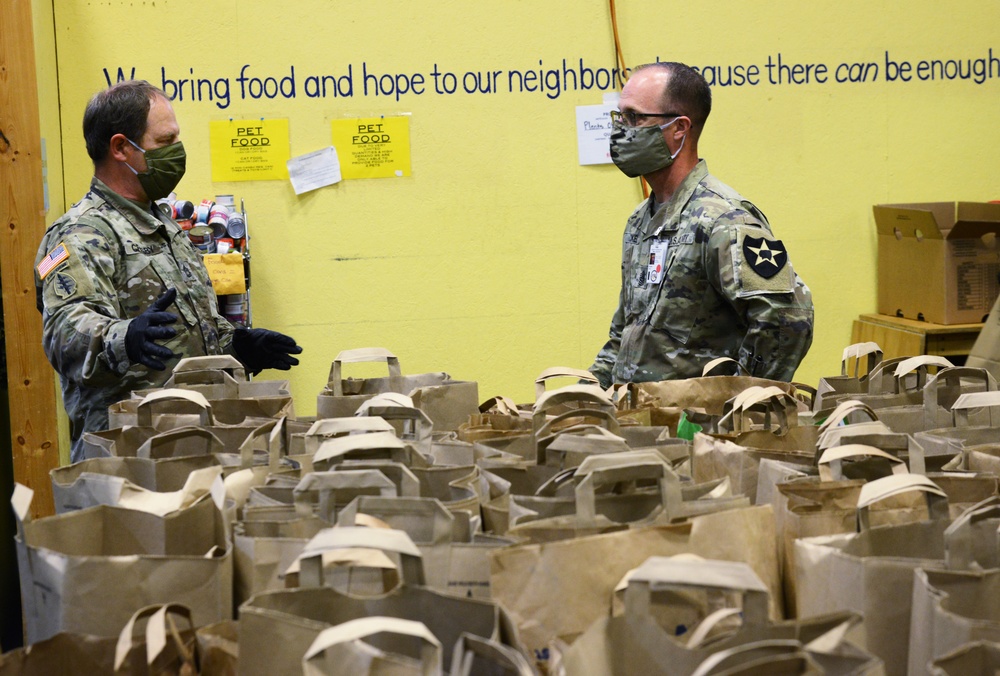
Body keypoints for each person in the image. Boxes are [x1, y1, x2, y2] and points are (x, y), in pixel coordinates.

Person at [35, 80, 302, 461]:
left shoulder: (165, 225)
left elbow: (183, 327)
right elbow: (64, 334)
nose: (177, 152)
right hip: (128, 455)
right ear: (121, 148)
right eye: (165, 141)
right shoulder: (83, 232)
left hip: (195, 444)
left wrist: (236, 345)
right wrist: (125, 338)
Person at [588, 62, 814, 388]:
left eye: (635, 118)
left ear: (679, 128)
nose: (622, 129)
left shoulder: (723, 221)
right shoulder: (641, 221)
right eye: (619, 117)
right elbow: (625, 335)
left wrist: (735, 404)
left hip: (697, 431)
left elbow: (787, 320)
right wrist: (584, 398)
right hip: (641, 424)